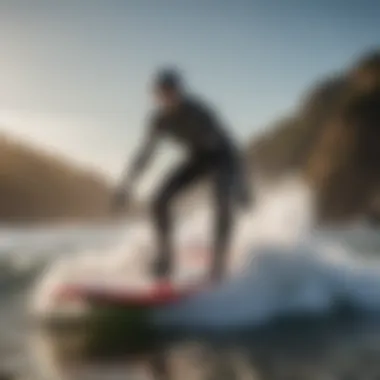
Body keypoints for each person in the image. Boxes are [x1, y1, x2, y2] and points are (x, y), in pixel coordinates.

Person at [113, 67, 251, 282]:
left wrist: (242, 186)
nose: (167, 96)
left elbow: (229, 145)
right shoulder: (159, 121)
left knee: (222, 202)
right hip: (197, 158)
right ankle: (166, 259)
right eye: (162, 92)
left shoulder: (199, 111)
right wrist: (126, 185)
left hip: (223, 157)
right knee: (158, 201)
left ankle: (219, 265)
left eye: (171, 91)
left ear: (179, 91)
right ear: (156, 95)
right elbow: (145, 154)